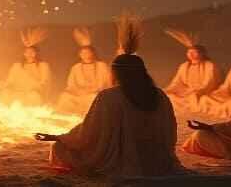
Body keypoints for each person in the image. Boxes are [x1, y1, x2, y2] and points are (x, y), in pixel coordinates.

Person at [36, 12, 183, 177]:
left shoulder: (109, 97)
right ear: (142, 72)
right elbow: (170, 131)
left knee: (58, 148)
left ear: (116, 73)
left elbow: (88, 132)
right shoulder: (159, 95)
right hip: (156, 159)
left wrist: (60, 137)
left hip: (122, 159)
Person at [163, 29, 221, 112]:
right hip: (186, 91)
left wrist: (197, 91)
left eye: (194, 52)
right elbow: (177, 82)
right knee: (170, 96)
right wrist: (169, 90)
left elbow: (209, 83)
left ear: (202, 53)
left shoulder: (210, 65)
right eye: (189, 52)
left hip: (202, 92)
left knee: (197, 98)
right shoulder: (184, 66)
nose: (191, 55)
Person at [56, 27, 110, 114]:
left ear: (93, 53)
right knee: (64, 97)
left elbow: (105, 84)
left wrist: (92, 90)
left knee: (93, 98)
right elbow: (71, 84)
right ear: (80, 55)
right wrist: (77, 91)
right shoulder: (75, 67)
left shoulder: (102, 66)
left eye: (88, 52)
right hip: (78, 94)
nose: (86, 55)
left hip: (94, 94)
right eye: (83, 53)